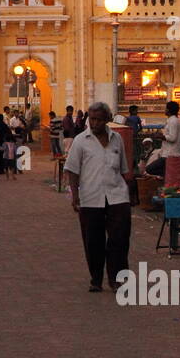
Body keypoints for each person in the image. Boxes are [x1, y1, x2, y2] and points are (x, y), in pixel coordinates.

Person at [64, 102, 132, 292]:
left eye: (98, 119)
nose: (94, 123)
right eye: (91, 119)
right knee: (93, 240)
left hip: (117, 196)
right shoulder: (80, 141)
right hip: (90, 197)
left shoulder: (117, 139)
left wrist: (129, 193)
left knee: (119, 239)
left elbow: (124, 169)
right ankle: (96, 278)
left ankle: (117, 278)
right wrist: (74, 196)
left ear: (107, 120)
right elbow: (72, 170)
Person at [145, 101, 180, 177]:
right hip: (167, 153)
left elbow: (173, 138)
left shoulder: (173, 121)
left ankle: (170, 175)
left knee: (149, 169)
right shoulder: (171, 120)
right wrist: (160, 136)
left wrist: (161, 136)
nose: (164, 110)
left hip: (170, 153)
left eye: (166, 108)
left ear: (169, 110)